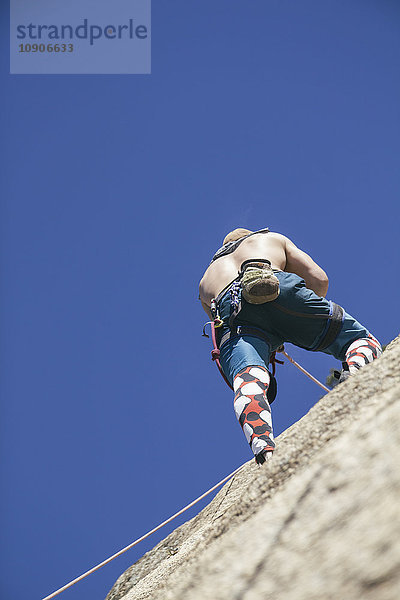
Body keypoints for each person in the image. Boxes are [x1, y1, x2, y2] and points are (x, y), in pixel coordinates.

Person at [199, 228, 382, 464]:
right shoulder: (270, 238)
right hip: (278, 285)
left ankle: (262, 444)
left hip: (231, 311)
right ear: (249, 235)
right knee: (359, 340)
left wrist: (272, 340)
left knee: (248, 376)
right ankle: (356, 372)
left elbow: (218, 326)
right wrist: (299, 316)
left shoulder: (205, 280)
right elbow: (319, 279)